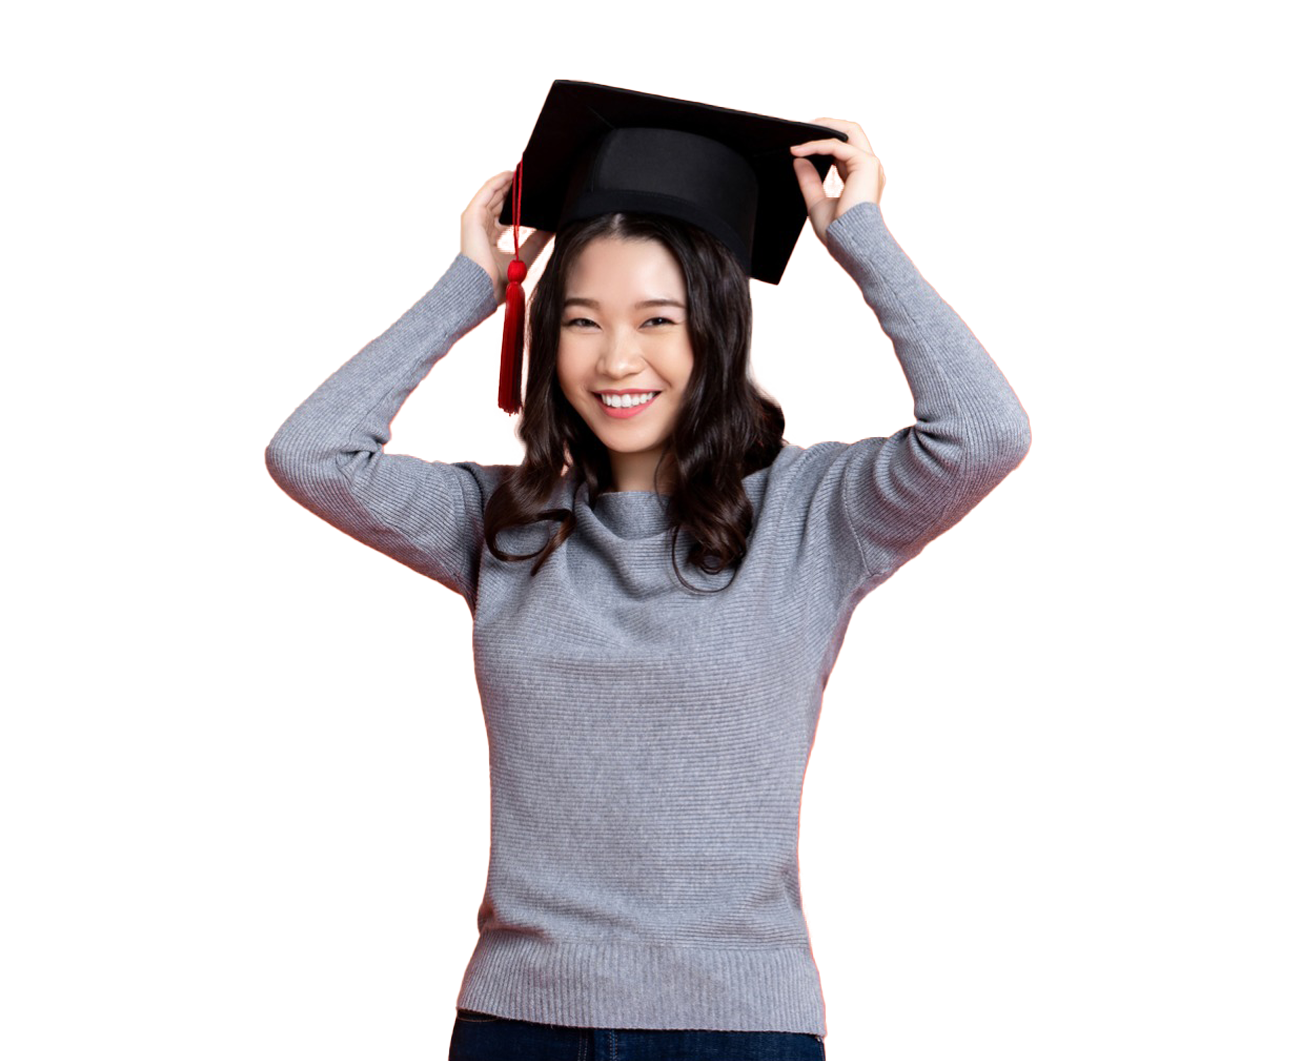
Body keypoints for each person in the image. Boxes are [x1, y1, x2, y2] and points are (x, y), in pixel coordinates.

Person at [264, 81, 1032, 1061]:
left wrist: (865, 241)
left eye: (657, 319)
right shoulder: (500, 521)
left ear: (717, 328)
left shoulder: (816, 510)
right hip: (517, 1023)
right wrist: (468, 283)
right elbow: (311, 455)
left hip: (735, 1025)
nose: (616, 357)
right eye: (582, 320)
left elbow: (983, 434)